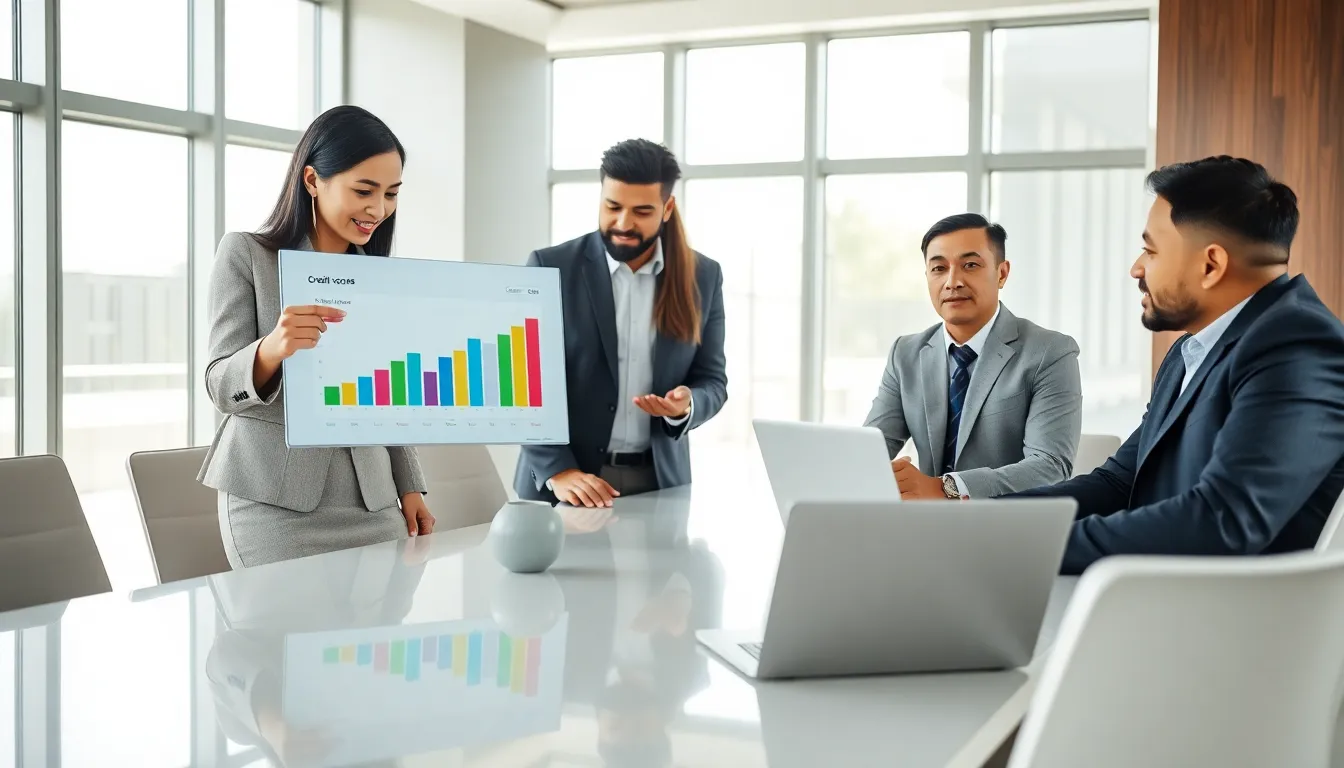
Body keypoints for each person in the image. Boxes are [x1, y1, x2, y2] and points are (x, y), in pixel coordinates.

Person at [1011, 156, 1344, 574]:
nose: (1136, 267)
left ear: (1211, 265)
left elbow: (1224, 521)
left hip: (1232, 625)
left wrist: (1022, 548)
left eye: (1150, 250)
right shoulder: (1193, 350)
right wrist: (978, 523)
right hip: (1162, 601)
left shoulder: (1299, 347)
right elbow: (1118, 483)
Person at [198, 105, 434, 569]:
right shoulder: (247, 255)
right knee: (284, 636)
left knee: (378, 638)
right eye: (364, 190)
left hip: (374, 501)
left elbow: (388, 397)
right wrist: (273, 348)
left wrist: (410, 485)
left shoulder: (377, 277)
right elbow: (220, 386)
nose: (378, 209)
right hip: (274, 503)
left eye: (391, 193)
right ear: (312, 180)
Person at [514, 139, 728, 507]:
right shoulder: (550, 268)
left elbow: (713, 380)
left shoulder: (702, 276)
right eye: (612, 206)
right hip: (568, 484)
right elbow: (521, 380)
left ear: (667, 207)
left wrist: (688, 404)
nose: (623, 223)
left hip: (660, 484)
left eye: (642, 211)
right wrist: (557, 469)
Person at [863, 213, 1082, 500]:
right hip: (923, 528)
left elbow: (1050, 465)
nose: (952, 282)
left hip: (1007, 530)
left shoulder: (1050, 352)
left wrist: (943, 488)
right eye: (939, 268)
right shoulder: (905, 353)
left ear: (1001, 273)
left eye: (970, 265)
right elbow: (870, 450)